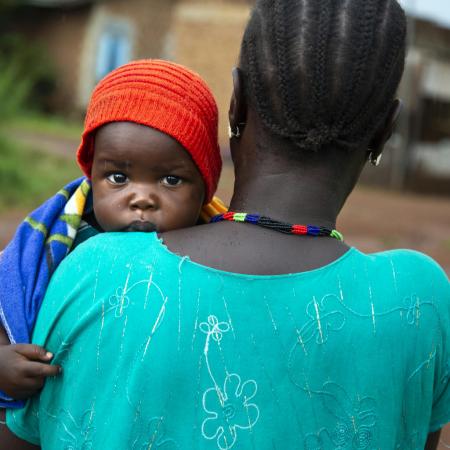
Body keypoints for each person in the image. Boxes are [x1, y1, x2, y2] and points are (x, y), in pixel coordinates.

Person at [1, 0, 449, 448]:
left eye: (168, 179)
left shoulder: (90, 271)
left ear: (236, 105)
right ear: (386, 129)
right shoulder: (422, 301)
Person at [0, 59, 223, 406]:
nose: (143, 198)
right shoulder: (59, 239)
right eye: (118, 177)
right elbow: (7, 294)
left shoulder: (218, 248)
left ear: (204, 187)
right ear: (92, 173)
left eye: (171, 180)